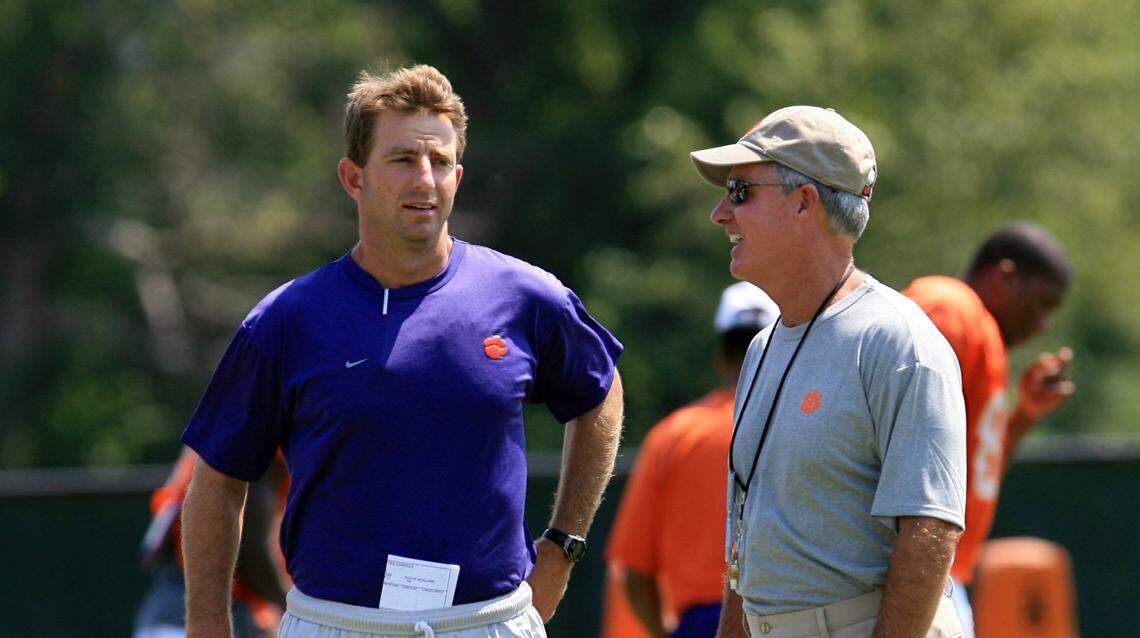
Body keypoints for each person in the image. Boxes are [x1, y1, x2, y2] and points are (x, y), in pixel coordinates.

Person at [179, 64, 624, 638]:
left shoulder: (524, 296)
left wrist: (563, 545)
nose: (425, 179)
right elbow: (217, 481)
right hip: (333, 623)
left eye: (440, 162)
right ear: (353, 177)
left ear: (458, 176)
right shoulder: (287, 319)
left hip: (488, 623)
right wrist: (208, 624)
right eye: (402, 160)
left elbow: (601, 392)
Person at [689, 106, 967, 638]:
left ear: (803, 202)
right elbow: (748, 541)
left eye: (741, 191)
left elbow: (929, 530)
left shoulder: (896, 338)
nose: (720, 213)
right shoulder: (763, 346)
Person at [903, 222, 1074, 637]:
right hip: (913, 569)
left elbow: (974, 472)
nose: (1043, 325)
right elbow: (892, 433)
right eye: (1042, 302)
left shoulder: (984, 335)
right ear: (1006, 277)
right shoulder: (951, 306)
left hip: (940, 568)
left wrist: (1025, 415)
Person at [604, 282, 777, 638]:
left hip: (701, 623)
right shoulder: (803, 423)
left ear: (719, 356)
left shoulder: (673, 435)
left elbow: (633, 572)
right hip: (788, 616)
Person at [134, 448, 289, 638]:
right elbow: (251, 545)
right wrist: (290, 608)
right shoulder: (265, 435)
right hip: (215, 613)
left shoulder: (212, 432)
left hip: (164, 610)